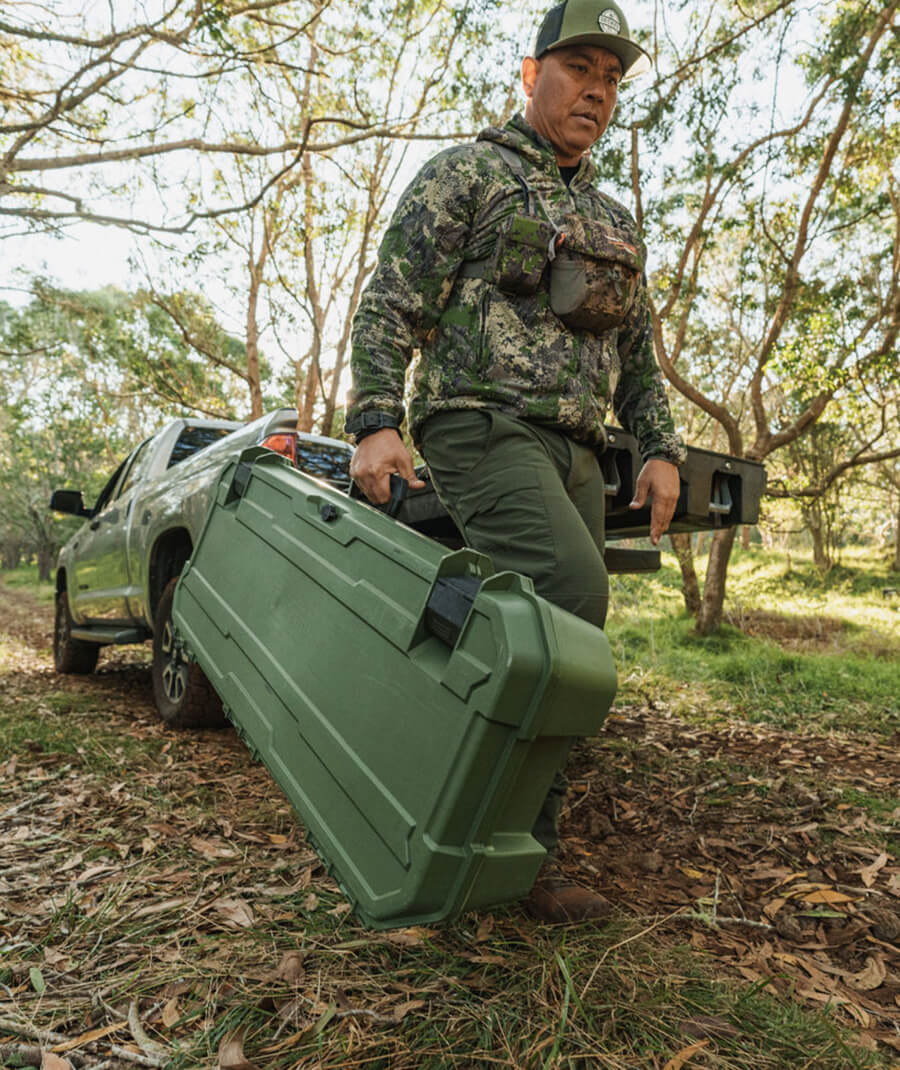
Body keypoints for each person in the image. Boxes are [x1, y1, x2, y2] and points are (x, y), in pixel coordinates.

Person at [345, 0, 686, 922]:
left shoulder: (613, 216)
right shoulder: (467, 174)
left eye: (612, 78)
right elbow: (388, 303)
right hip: (477, 424)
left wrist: (656, 448)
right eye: (579, 68)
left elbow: (639, 355)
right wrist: (377, 419)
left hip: (575, 446)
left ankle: (477, 815)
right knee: (574, 599)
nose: (598, 90)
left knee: (518, 621)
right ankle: (512, 847)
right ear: (532, 74)